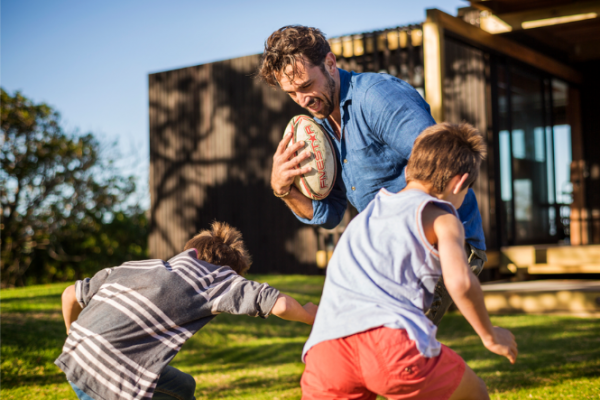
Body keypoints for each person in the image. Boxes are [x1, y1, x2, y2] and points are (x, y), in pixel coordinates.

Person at [259, 26, 487, 324]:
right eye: (291, 93)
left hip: (440, 245)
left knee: (392, 346)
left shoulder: (379, 98)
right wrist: (284, 189)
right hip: (389, 254)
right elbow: (329, 214)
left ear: (330, 63)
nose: (302, 99)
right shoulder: (322, 125)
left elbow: (444, 164)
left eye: (305, 85)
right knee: (362, 343)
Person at [300, 123, 517, 400]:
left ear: (407, 171)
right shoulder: (442, 217)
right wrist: (489, 335)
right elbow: (460, 281)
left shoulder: (363, 219)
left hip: (325, 350)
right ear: (460, 183)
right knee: (474, 393)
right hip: (388, 343)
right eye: (465, 193)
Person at [55, 221, 318, 400]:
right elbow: (279, 304)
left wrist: (72, 334)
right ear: (229, 270)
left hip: (76, 356)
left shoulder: (139, 265)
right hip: (110, 377)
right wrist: (309, 314)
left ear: (192, 251)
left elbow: (70, 295)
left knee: (183, 386)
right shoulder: (218, 278)